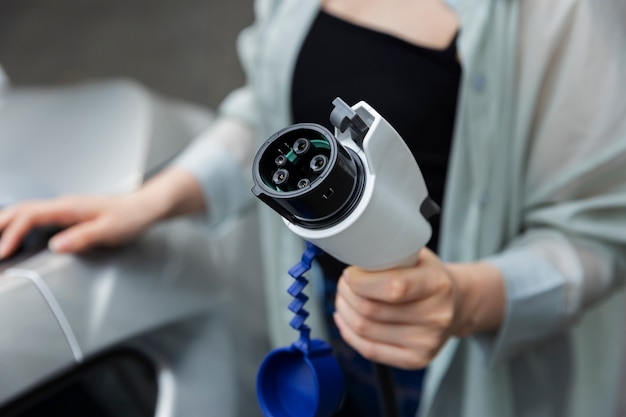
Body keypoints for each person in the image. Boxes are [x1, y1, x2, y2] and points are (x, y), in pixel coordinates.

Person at [1, 0, 626, 416]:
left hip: (463, 353)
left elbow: (598, 234)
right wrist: (152, 199)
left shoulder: (558, 17)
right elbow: (267, 108)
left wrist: (462, 302)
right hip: (327, 323)